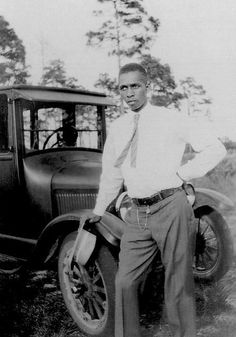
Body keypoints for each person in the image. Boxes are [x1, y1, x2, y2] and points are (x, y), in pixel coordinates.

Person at [81, 63, 227, 337]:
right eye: (123, 87)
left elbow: (214, 148)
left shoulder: (169, 118)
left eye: (135, 85)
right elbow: (112, 173)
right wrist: (99, 209)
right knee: (124, 281)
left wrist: (183, 173)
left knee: (177, 282)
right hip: (136, 213)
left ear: (149, 86)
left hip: (171, 206)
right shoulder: (119, 127)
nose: (129, 93)